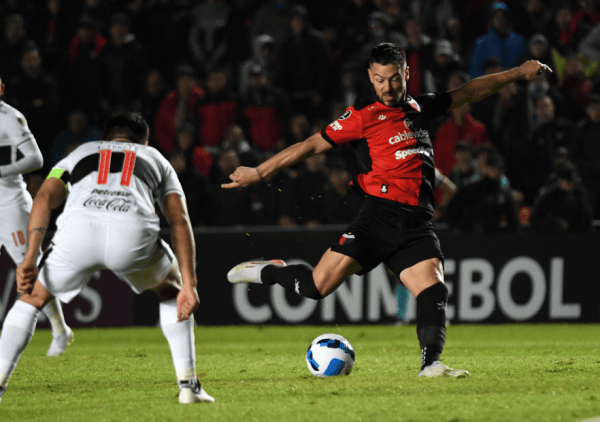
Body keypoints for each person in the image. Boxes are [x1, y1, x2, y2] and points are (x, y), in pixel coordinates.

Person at [223, 43, 551, 377]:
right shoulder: (363, 117)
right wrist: (259, 172)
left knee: (434, 289)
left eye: (394, 79)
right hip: (378, 217)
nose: (387, 87)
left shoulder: (422, 108)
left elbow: (469, 91)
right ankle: (272, 270)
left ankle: (431, 365)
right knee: (314, 288)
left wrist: (517, 73)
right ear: (370, 77)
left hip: (416, 223)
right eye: (379, 80)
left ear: (407, 74)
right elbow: (310, 145)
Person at [0, 113, 213, 404]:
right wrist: (189, 283)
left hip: (78, 232)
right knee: (170, 290)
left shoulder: (81, 152)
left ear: (105, 138)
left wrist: (30, 257)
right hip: (133, 235)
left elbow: (44, 198)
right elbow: (179, 220)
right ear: (144, 141)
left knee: (31, 298)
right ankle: (188, 386)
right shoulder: (156, 158)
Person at [0, 74, 72, 357]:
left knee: (30, 268)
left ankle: (60, 328)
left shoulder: (10, 118)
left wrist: (2, 171)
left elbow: (36, 159)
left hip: (10, 204)